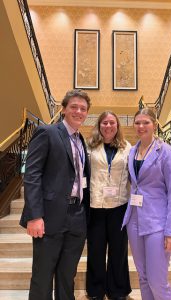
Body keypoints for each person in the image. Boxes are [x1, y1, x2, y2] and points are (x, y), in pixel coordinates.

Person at [20, 89, 91, 300]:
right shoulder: (48, 132)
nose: (79, 111)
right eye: (74, 107)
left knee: (67, 274)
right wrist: (34, 215)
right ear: (64, 109)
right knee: (42, 275)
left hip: (77, 217)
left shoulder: (81, 140)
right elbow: (32, 175)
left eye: (83, 108)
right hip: (50, 216)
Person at [122, 108, 171, 300]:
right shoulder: (132, 151)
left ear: (154, 124)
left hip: (157, 222)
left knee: (157, 281)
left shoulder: (165, 151)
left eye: (145, 122)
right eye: (137, 122)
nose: (141, 126)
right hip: (134, 220)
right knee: (144, 277)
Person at [86, 111, 132, 300]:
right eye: (104, 122)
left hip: (119, 205)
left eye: (112, 122)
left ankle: (118, 290)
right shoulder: (89, 146)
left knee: (118, 250)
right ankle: (96, 290)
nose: (108, 126)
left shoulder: (127, 147)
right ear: (99, 125)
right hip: (95, 205)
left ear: (117, 125)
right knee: (96, 249)